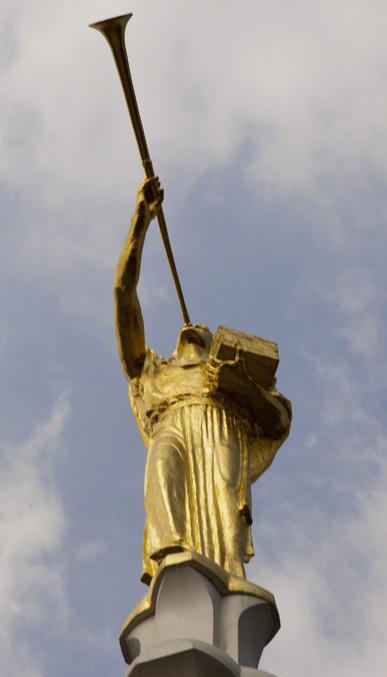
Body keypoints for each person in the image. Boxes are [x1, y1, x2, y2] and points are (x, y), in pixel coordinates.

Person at [114, 176, 292, 585]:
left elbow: (280, 419)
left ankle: (229, 577)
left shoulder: (226, 381)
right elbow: (123, 292)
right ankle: (172, 560)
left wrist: (240, 384)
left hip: (221, 431)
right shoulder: (151, 373)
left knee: (224, 505)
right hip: (171, 424)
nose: (194, 326)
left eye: (205, 331)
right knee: (162, 466)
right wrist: (140, 220)